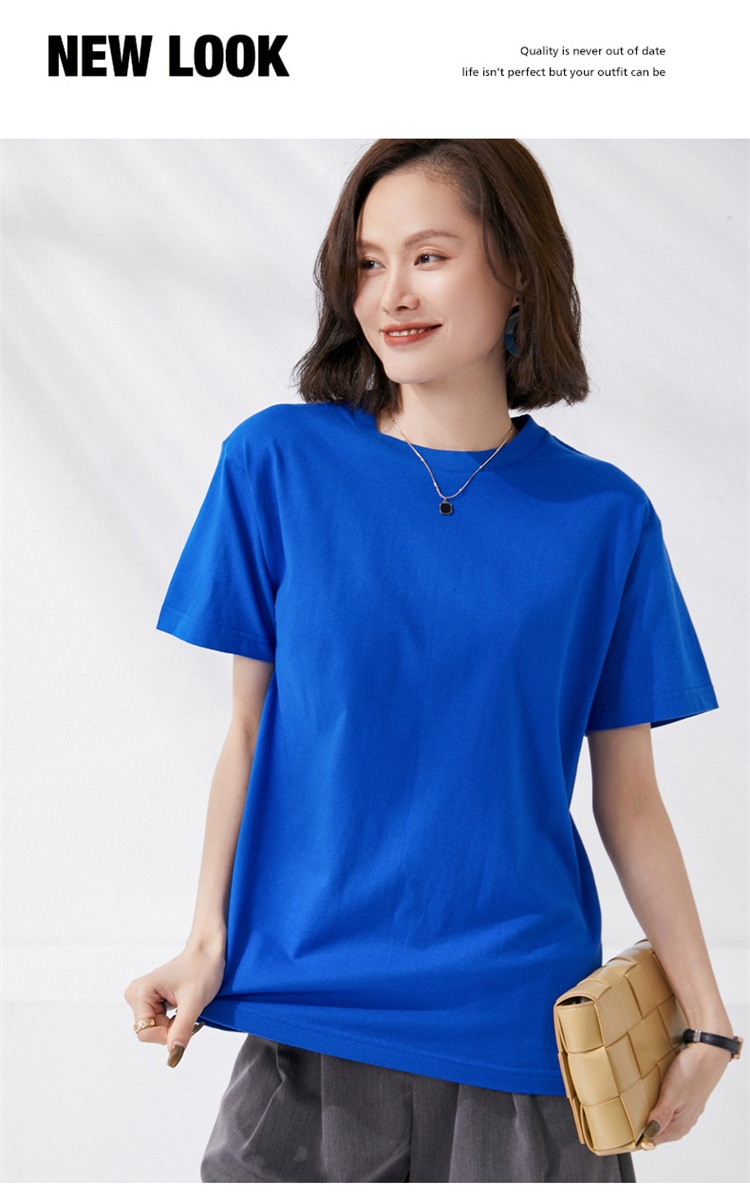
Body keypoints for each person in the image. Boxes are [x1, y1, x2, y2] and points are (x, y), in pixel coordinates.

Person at [125, 139, 740, 1183]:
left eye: (429, 256)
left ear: (517, 271)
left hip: (524, 1036)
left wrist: (710, 1020)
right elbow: (247, 732)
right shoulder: (277, 464)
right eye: (367, 264)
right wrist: (205, 940)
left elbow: (629, 799)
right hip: (310, 1019)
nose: (391, 294)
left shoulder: (604, 519)